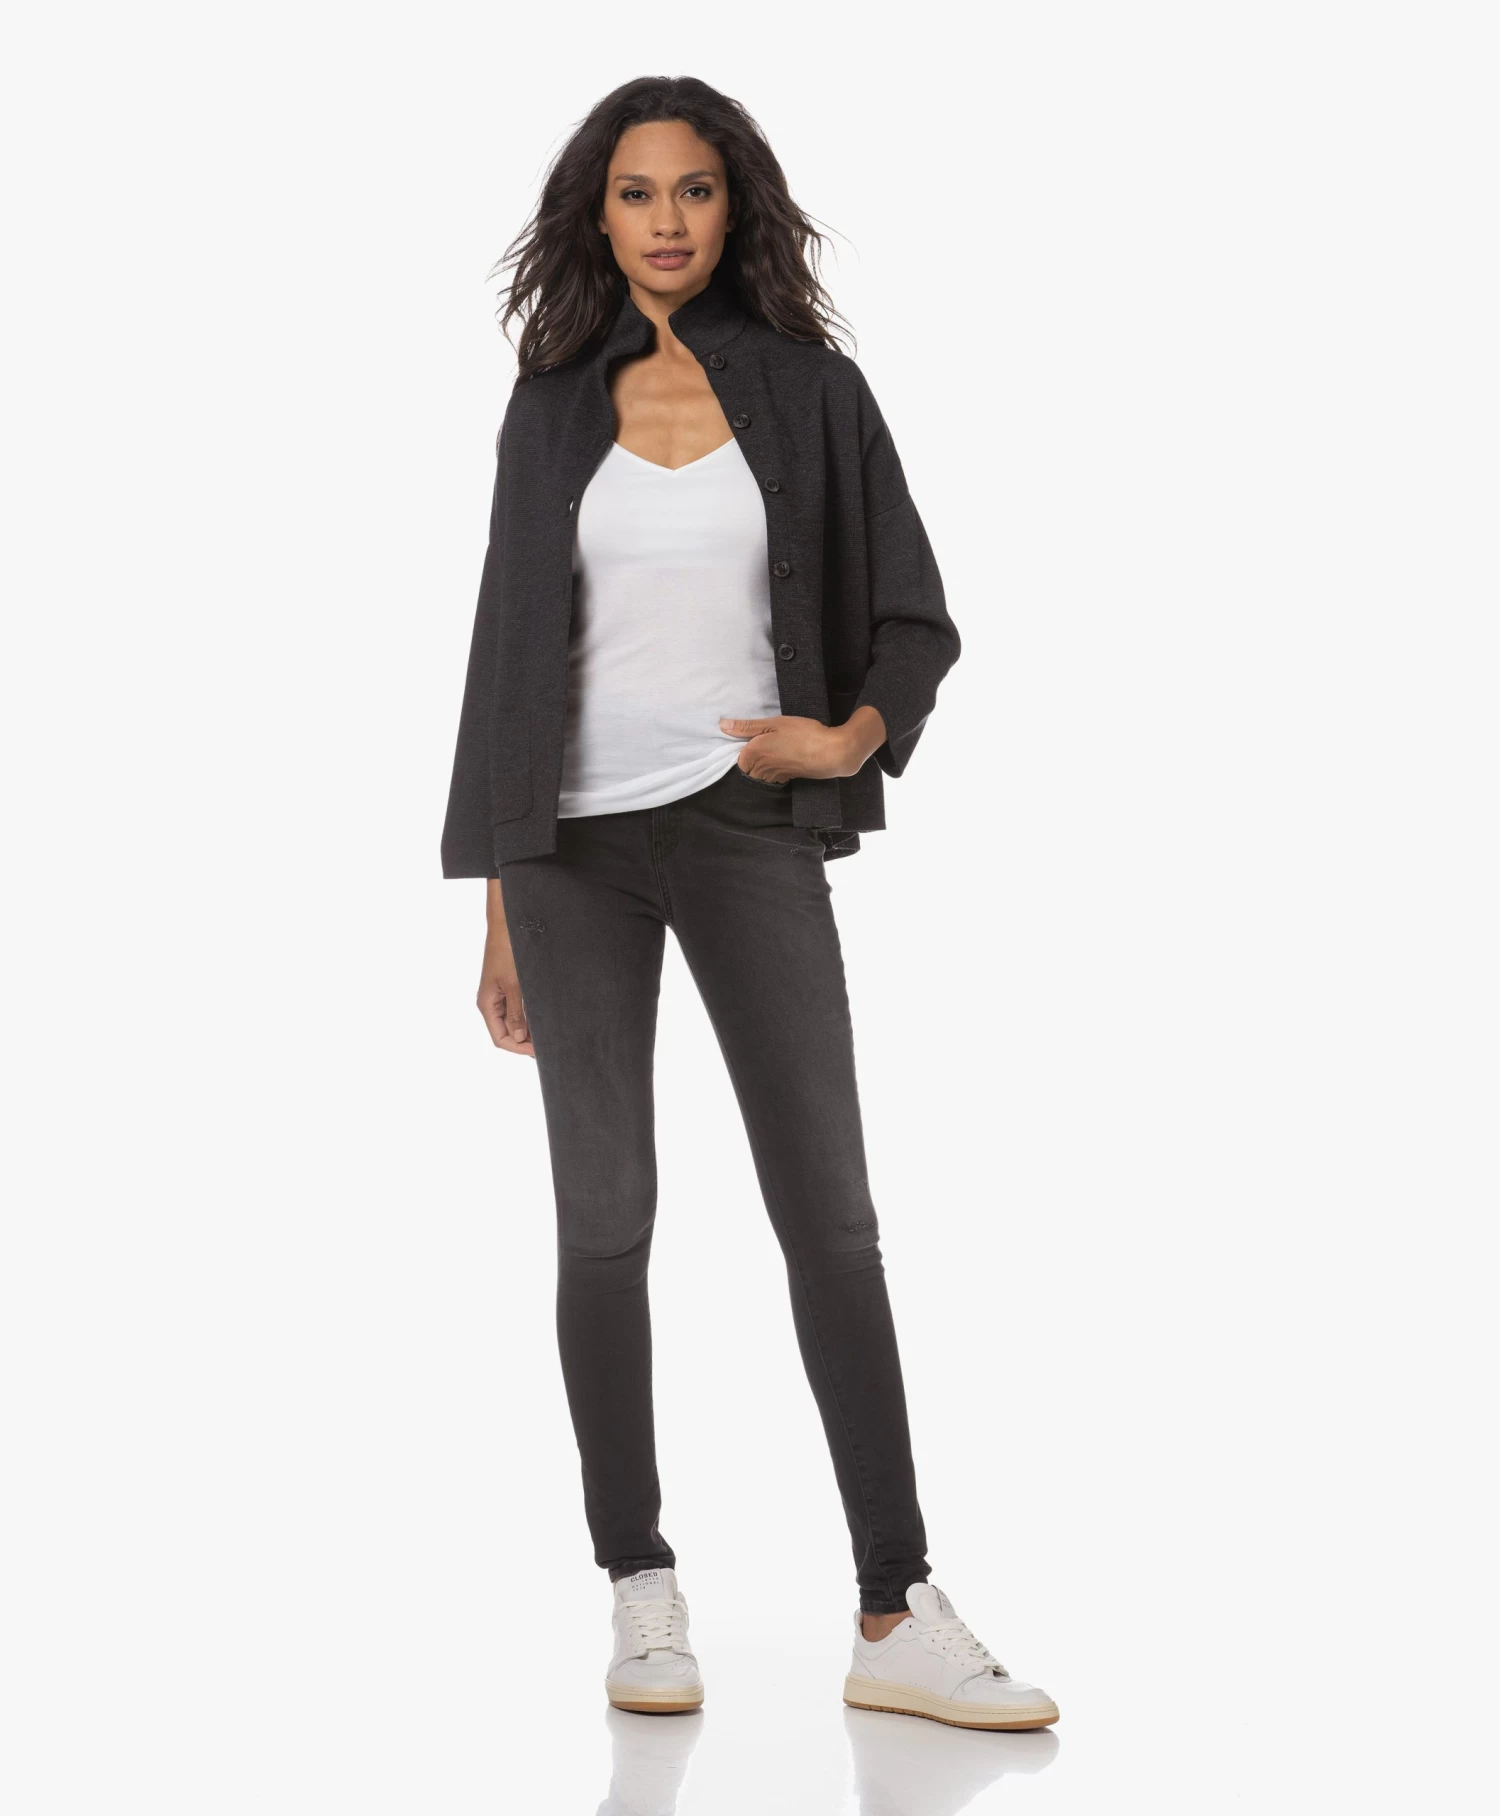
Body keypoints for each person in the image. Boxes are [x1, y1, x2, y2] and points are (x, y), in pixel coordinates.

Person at [442, 74, 1059, 1733]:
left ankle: (894, 1607)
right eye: (636, 193)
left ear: (736, 207)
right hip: (566, 853)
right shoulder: (548, 405)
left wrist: (847, 738)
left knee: (830, 1214)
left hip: (745, 829)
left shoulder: (810, 391)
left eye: (695, 190)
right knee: (604, 1217)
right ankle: (639, 1585)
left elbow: (916, 618)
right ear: (597, 214)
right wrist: (495, 903)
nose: (666, 221)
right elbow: (508, 657)